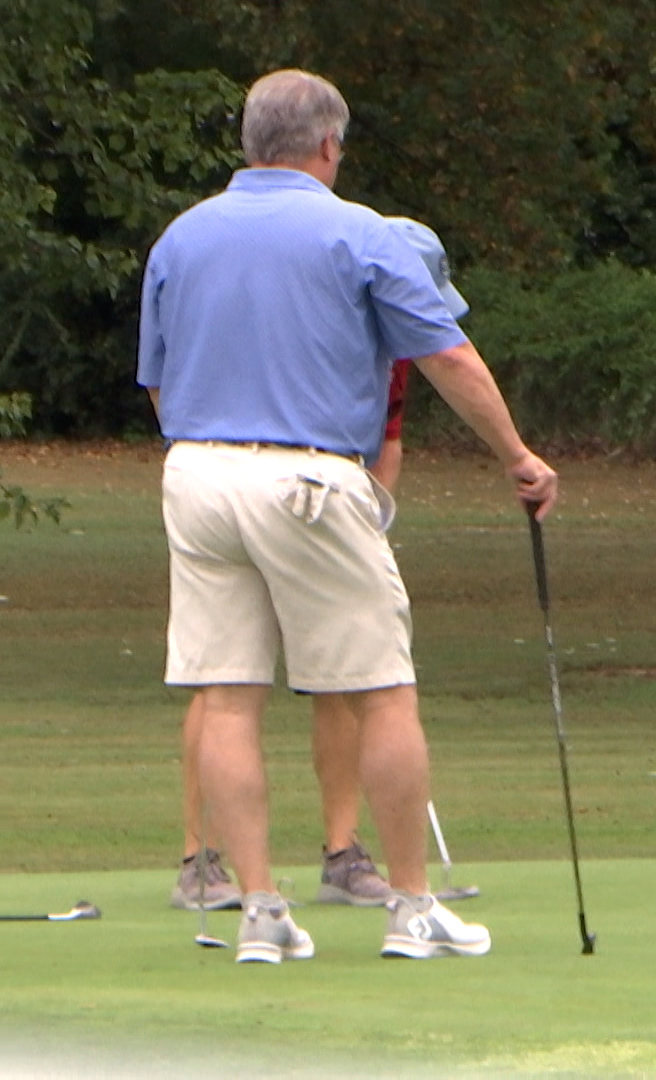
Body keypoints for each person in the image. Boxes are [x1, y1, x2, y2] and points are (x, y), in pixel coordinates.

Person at [139, 69, 558, 961]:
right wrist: (518, 456)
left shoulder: (181, 237)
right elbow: (447, 355)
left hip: (196, 475)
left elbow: (160, 383)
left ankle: (259, 912)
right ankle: (412, 907)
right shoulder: (359, 231)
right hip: (309, 479)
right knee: (381, 690)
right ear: (328, 145)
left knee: (226, 698)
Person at [168, 217, 468, 913]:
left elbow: (385, 442)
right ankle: (199, 858)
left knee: (347, 678)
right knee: (226, 682)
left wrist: (373, 520)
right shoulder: (317, 323)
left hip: (329, 503)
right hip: (264, 486)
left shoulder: (392, 355)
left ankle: (342, 850)